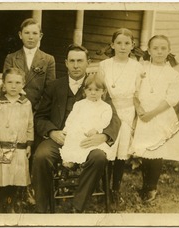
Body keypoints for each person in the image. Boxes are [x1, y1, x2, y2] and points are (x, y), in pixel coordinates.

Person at [32, 44, 121, 213]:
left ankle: (77, 206)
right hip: (60, 137)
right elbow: (40, 117)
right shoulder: (54, 86)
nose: (75, 65)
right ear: (65, 63)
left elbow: (114, 117)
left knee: (99, 157)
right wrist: (52, 132)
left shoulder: (96, 86)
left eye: (80, 61)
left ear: (88, 62)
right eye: (71, 61)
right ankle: (42, 210)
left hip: (88, 140)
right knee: (41, 156)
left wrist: (103, 136)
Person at [131, 35, 179, 202]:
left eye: (163, 48)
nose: (159, 51)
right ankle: (145, 186)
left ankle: (151, 188)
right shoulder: (141, 69)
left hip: (160, 115)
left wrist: (152, 113)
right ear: (149, 50)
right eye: (155, 48)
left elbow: (172, 98)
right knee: (145, 151)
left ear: (169, 51)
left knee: (156, 151)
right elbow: (133, 90)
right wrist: (139, 109)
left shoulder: (173, 74)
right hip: (143, 114)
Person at [98, 28, 144, 206]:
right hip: (108, 111)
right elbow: (101, 90)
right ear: (112, 44)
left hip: (126, 111)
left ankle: (115, 189)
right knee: (107, 149)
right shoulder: (105, 65)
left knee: (120, 153)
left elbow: (139, 92)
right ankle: (104, 189)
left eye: (127, 43)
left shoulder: (137, 67)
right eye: (119, 43)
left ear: (132, 46)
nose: (123, 47)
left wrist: (136, 116)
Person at [0, 68, 34, 213]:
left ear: (23, 84)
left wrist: (29, 145)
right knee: (2, 177)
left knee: (17, 176)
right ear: (4, 84)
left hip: (19, 148)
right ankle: (3, 204)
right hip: (1, 147)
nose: (14, 86)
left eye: (17, 82)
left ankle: (14, 202)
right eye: (10, 82)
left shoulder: (26, 103)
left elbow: (30, 125)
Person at [3, 18, 56, 113]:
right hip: (14, 108)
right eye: (27, 33)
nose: (30, 37)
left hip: (37, 111)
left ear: (40, 36)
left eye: (35, 33)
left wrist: (37, 109)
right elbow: (5, 86)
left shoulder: (48, 60)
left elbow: (50, 90)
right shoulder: (11, 58)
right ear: (20, 35)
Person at [60, 74, 113, 167]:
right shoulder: (79, 104)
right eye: (90, 89)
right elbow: (71, 118)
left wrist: (96, 129)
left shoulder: (105, 107)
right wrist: (66, 129)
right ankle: (71, 160)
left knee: (89, 145)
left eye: (97, 90)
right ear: (85, 90)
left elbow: (105, 121)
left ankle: (83, 160)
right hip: (78, 130)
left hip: (91, 133)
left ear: (103, 91)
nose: (93, 93)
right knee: (73, 138)